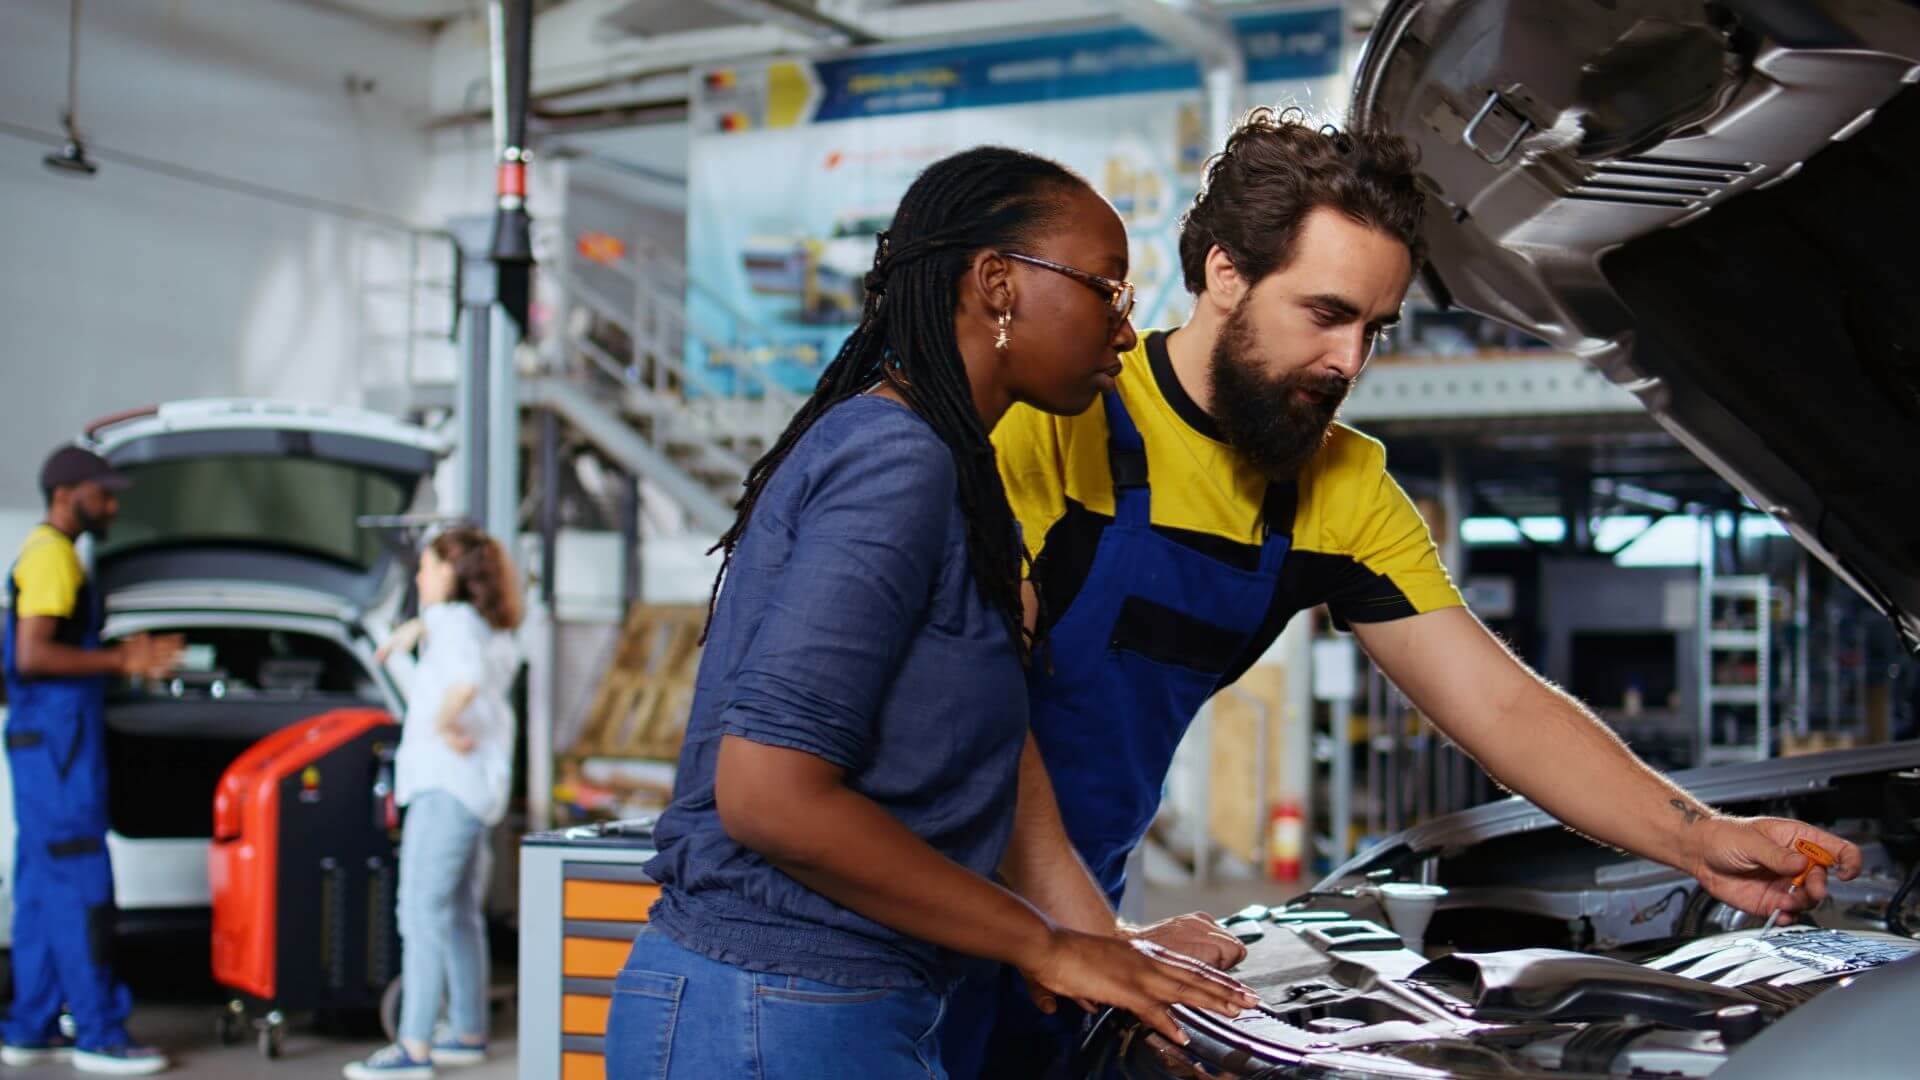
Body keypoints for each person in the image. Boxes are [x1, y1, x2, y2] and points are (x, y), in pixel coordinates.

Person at [941, 107, 1865, 1077]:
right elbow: (973, 717)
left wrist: (1699, 840)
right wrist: (1097, 935)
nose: (1351, 362)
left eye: (1376, 328)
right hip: (905, 919)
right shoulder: (1051, 423)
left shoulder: (1336, 487)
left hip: (1072, 932)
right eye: (1327, 313)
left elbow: (1500, 703)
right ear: (1224, 273)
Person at [601, 147, 1259, 1080]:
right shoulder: (894, 459)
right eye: (1107, 291)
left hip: (840, 1003)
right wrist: (1040, 946)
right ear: (997, 285)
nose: (1125, 331)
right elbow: (767, 792)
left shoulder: (957, 472)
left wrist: (1104, 945)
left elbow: (1009, 778)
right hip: (773, 1005)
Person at [2, 445, 180, 1075]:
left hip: (45, 744)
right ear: (66, 492)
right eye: (102, 493)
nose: (112, 503)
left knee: (42, 887)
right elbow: (31, 655)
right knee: (81, 886)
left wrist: (114, 652)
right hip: (57, 750)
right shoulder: (51, 556)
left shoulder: (52, 554)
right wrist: (121, 661)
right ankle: (100, 1035)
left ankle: (31, 1024)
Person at [345, 525, 522, 1079]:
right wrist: (413, 630)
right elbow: (465, 660)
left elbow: (463, 681)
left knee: (419, 913)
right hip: (473, 793)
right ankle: (467, 1032)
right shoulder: (485, 626)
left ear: (448, 571)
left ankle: (413, 1047)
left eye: (424, 567)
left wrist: (442, 724)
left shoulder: (454, 624)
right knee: (458, 916)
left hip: (444, 788)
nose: (419, 576)